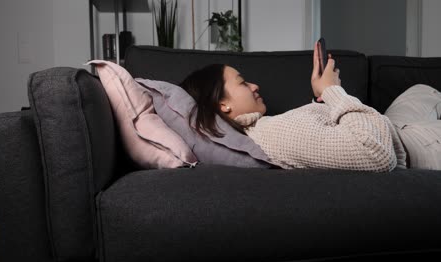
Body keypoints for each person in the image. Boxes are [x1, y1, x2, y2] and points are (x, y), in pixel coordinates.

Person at [179, 41, 441, 172]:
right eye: (242, 82)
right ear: (222, 104)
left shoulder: (263, 128)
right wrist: (332, 90)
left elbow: (318, 132)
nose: (254, 86)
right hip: (412, 145)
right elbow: (377, 154)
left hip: (392, 125)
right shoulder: (271, 134)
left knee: (421, 91)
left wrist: (320, 95)